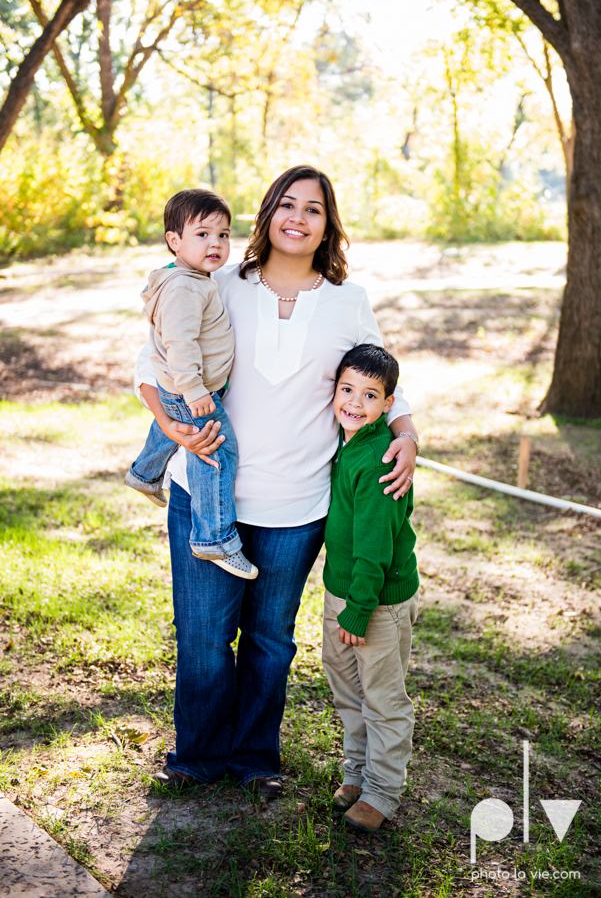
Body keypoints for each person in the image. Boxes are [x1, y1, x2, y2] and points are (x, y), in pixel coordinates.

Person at [134, 165, 419, 797]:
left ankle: (255, 756)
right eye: (286, 204)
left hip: (298, 505)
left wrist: (407, 435)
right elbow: (152, 357)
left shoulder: (348, 302)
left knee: (269, 640)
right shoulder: (219, 280)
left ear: (328, 225)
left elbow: (382, 378)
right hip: (206, 494)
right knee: (205, 638)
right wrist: (170, 425)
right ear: (267, 215)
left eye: (313, 209)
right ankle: (199, 757)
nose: (298, 217)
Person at [125, 189, 257, 579]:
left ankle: (144, 474)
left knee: (173, 429)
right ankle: (213, 538)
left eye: (224, 234)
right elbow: (179, 344)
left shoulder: (193, 278)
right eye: (202, 234)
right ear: (174, 241)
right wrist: (195, 390)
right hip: (190, 389)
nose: (215, 243)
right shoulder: (185, 287)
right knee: (216, 452)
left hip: (180, 387)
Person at [321, 344, 420, 832]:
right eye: (347, 390)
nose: (355, 402)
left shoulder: (380, 458)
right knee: (347, 691)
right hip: (341, 592)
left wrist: (358, 609)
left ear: (389, 403)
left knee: (382, 697)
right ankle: (357, 772)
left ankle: (383, 791)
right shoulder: (346, 443)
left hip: (376, 600)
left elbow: (376, 548)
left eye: (370, 394)